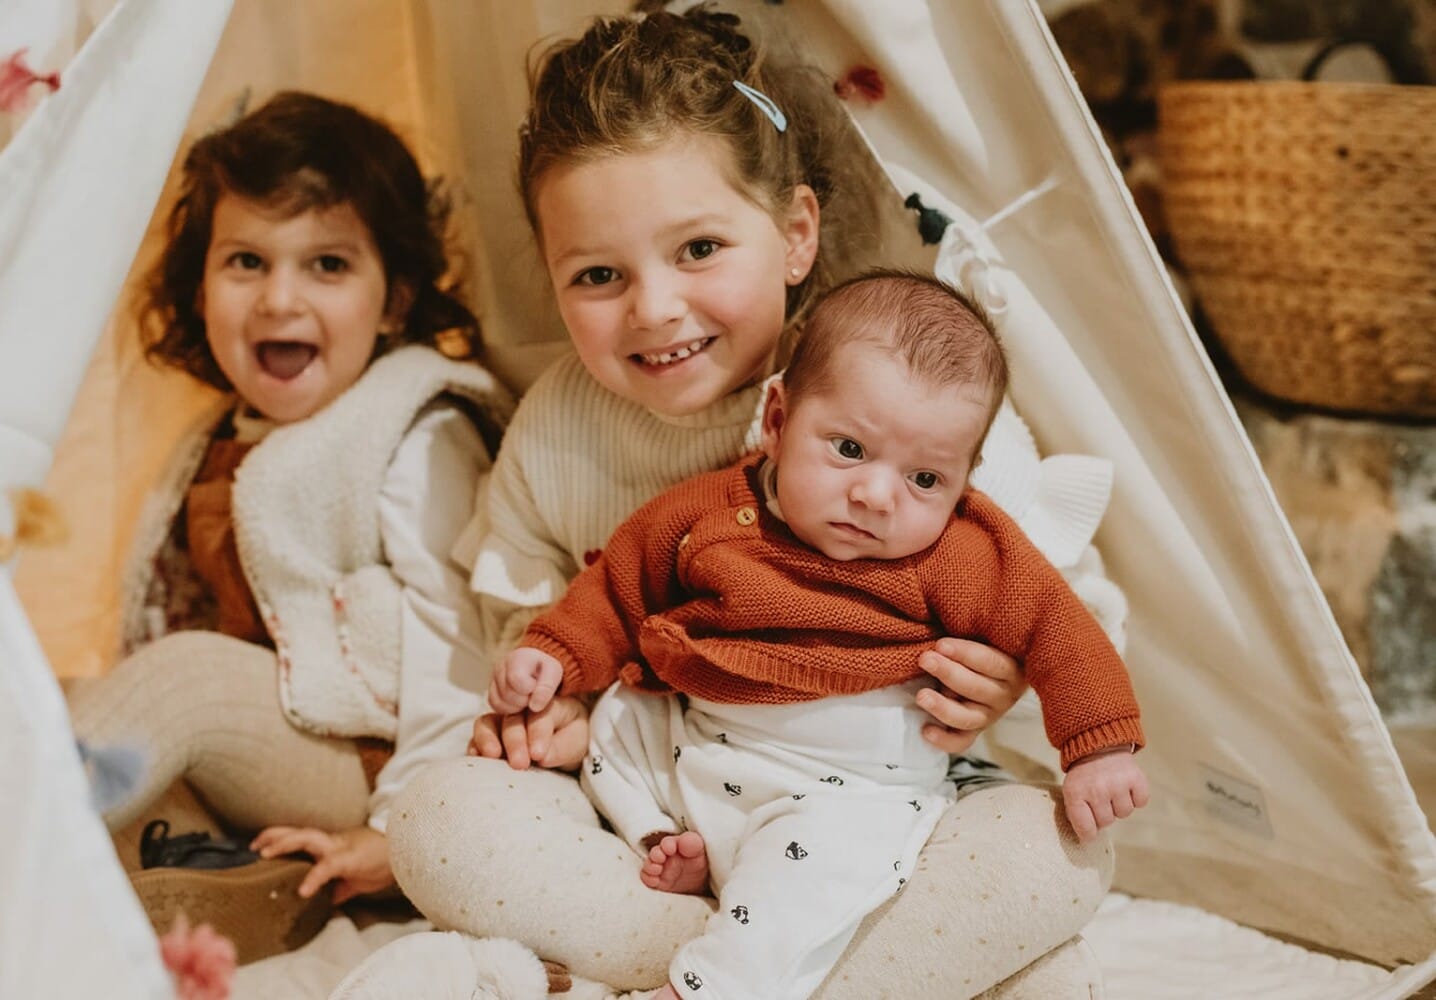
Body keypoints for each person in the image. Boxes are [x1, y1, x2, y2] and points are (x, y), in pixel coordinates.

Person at [385, 6, 1125, 996]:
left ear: (794, 234)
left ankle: (765, 962)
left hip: (871, 811)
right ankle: (742, 961)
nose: (653, 308)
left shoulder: (906, 399)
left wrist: (1007, 686)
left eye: (698, 250)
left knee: (1055, 852)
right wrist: (549, 698)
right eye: (599, 275)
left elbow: (1064, 613)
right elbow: (532, 617)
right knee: (442, 819)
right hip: (664, 816)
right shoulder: (556, 433)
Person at [489, 271, 1149, 1000]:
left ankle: (712, 981)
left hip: (844, 792)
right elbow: (617, 589)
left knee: (876, 858)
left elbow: (1059, 627)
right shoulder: (706, 513)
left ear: (967, 480)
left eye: (926, 479)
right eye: (848, 450)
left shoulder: (963, 554)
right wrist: (551, 655)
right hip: (697, 750)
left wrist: (1100, 748)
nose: (876, 495)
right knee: (619, 719)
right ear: (777, 419)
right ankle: (669, 848)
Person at [66, 91, 512, 922]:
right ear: (199, 289)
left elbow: (464, 651)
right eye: (246, 262)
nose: (279, 299)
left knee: (179, 683)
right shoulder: (225, 438)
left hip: (372, 756)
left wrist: (400, 829)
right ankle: (219, 886)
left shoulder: (416, 427)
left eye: (327, 265)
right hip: (272, 749)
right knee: (51, 695)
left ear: (395, 301)